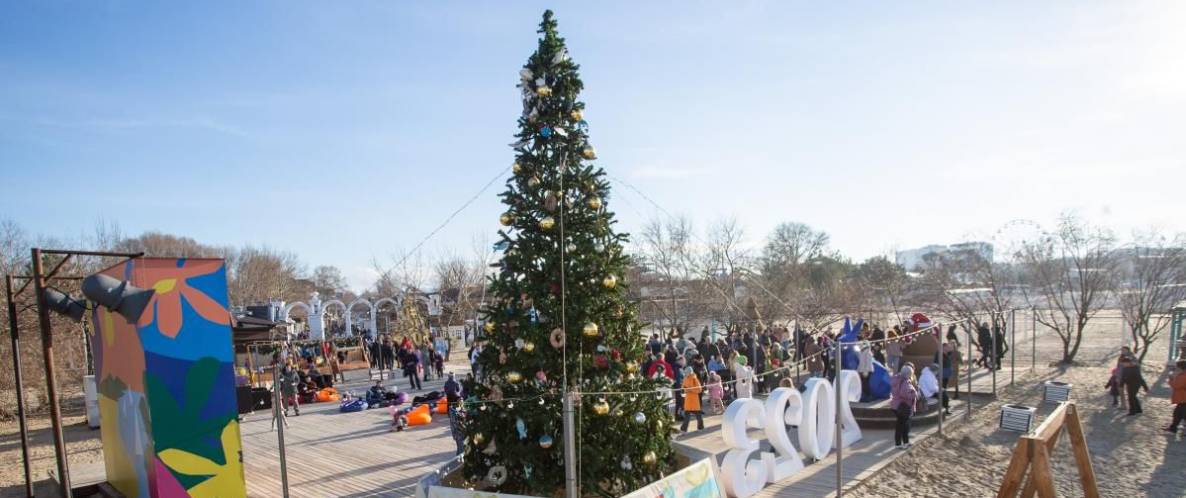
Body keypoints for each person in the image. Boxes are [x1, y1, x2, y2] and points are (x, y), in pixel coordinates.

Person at [890, 364, 919, 449]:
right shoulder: (905, 382)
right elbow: (905, 394)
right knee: (903, 425)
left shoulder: (896, 379)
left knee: (901, 425)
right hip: (903, 406)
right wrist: (914, 394)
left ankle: (903, 442)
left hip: (896, 405)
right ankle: (901, 443)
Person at [680, 367, 704, 432]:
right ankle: (683, 429)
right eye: (685, 373)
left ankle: (700, 428)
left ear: (690, 372)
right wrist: (685, 390)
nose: (685, 374)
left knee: (698, 416)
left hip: (694, 401)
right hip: (688, 400)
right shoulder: (685, 379)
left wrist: (690, 389)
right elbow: (683, 388)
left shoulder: (695, 379)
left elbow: (699, 389)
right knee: (687, 416)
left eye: (686, 372)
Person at [1165, 360, 1186, 434]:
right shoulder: (1182, 375)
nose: (1176, 368)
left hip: (1183, 399)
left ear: (1181, 368)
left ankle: (1173, 428)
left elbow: (1176, 386)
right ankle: (1173, 428)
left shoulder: (1184, 376)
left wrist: (1171, 379)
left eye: (1177, 367)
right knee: (1177, 414)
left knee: (1179, 414)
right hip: (1182, 399)